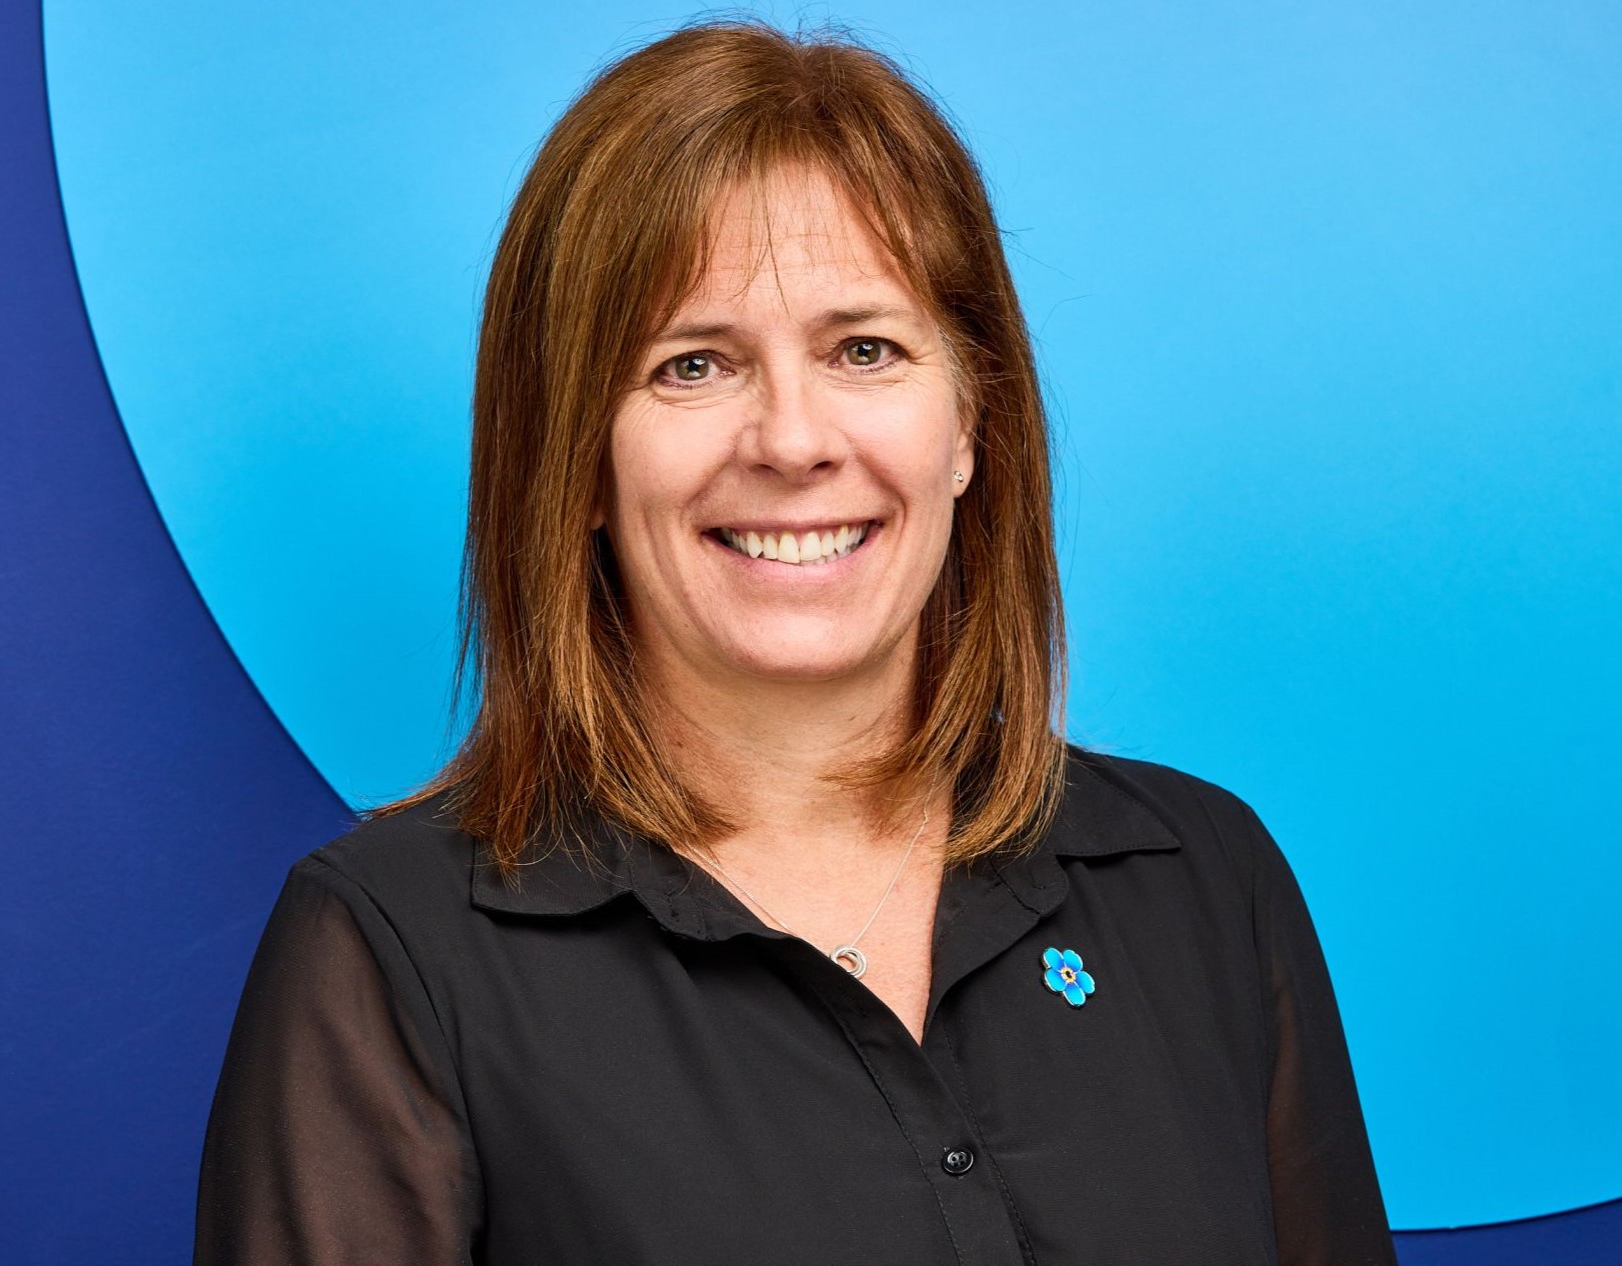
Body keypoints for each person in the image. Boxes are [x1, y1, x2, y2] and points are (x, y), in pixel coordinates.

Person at [194, 20, 1396, 1265]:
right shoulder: (394, 955)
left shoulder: (1201, 880)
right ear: (577, 464)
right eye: (692, 365)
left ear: (970, 422)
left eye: (862, 349)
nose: (791, 440)